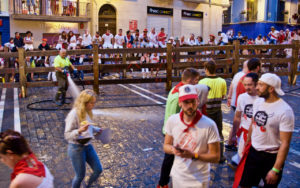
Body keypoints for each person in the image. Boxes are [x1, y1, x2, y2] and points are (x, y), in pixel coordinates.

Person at [236, 73, 294, 188]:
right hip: (253, 151)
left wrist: (275, 169)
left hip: (271, 157)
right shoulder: (258, 102)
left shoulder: (285, 111)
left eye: (261, 85)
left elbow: (285, 143)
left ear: (271, 89)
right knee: (244, 184)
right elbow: (254, 123)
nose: (256, 87)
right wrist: (248, 142)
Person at [163, 84, 220, 188]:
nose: (190, 106)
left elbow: (216, 157)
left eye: (192, 101)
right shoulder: (172, 120)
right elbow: (166, 145)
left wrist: (194, 155)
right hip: (178, 176)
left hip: (198, 179)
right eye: (186, 102)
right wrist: (172, 150)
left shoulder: (209, 125)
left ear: (197, 101)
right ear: (180, 103)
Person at [157, 68, 201, 188]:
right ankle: (163, 183)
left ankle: (165, 182)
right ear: (189, 80)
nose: (197, 83)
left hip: (175, 131)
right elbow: (173, 117)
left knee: (172, 159)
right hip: (173, 133)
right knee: (170, 159)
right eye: (196, 81)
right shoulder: (178, 96)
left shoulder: (177, 89)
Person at [64, 89, 103, 188]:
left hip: (87, 145)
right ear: (84, 103)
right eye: (91, 103)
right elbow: (67, 135)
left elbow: (89, 126)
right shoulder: (73, 115)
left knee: (98, 169)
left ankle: (88, 185)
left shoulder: (87, 111)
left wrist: (97, 129)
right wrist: (79, 131)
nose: (93, 105)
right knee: (80, 176)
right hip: (76, 148)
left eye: (94, 103)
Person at [228, 73, 259, 166]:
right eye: (245, 85)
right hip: (244, 134)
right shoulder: (242, 97)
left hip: (258, 136)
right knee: (242, 159)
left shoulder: (262, 98)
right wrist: (233, 135)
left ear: (256, 84)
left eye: (249, 85)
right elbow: (237, 117)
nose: (246, 87)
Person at [199, 60, 227, 163]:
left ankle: (205, 154)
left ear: (206, 69)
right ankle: (220, 155)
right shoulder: (222, 81)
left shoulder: (202, 82)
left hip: (206, 111)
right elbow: (223, 96)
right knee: (219, 132)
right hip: (218, 110)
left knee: (204, 132)